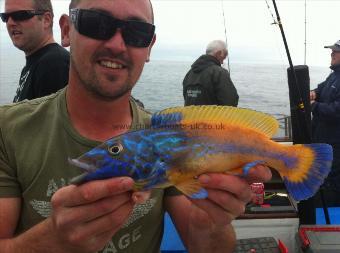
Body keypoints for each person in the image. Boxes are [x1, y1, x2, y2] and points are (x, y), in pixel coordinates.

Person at [0, 1, 271, 252]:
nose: (117, 45)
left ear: (150, 47)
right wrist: (51, 240)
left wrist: (212, 223)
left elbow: (207, 245)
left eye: (137, 32)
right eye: (97, 22)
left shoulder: (168, 139)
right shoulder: (6, 129)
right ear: (66, 30)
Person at [0, 0, 69, 102]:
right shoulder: (35, 65)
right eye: (5, 17)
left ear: (46, 20)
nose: (10, 23)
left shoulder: (54, 64)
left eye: (20, 15)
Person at [310, 40, 340, 207]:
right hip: (324, 142)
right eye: (332, 51)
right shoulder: (334, 75)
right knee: (321, 180)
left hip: (336, 146)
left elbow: (337, 111)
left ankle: (330, 228)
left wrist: (314, 106)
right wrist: (313, 93)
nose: (332, 53)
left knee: (332, 185)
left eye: (336, 51)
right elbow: (321, 89)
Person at [182, 40, 239, 106]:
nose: (223, 62)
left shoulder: (189, 73)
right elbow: (230, 102)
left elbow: (186, 98)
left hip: (191, 116)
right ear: (218, 53)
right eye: (225, 56)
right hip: (213, 116)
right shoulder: (220, 73)